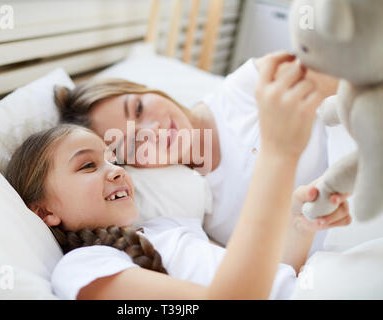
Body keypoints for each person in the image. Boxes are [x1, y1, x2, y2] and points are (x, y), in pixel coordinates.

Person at [5, 53, 351, 299]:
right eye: (88, 165)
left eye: (112, 160)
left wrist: (299, 225)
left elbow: (272, 274)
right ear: (43, 211)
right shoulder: (83, 266)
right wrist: (279, 156)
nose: (114, 171)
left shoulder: (172, 226)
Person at [53, 52, 340, 247]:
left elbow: (348, 73)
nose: (153, 130)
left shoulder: (244, 88)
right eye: (133, 142)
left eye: (138, 108)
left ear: (145, 89)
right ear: (131, 165)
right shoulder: (197, 212)